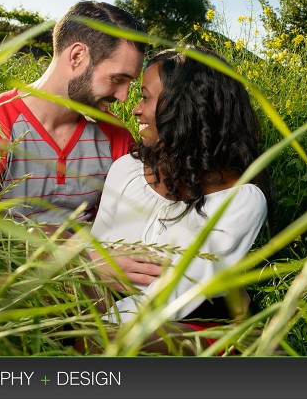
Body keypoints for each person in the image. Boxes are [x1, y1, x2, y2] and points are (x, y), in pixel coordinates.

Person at [0, 0, 165, 286]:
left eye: (129, 84)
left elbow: (129, 227)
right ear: (77, 56)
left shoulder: (117, 138)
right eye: (117, 79)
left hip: (103, 291)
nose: (122, 97)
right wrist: (79, 261)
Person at [76, 45, 272, 354]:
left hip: (187, 323)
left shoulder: (241, 199)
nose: (135, 109)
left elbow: (170, 301)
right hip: (105, 311)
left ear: (186, 107)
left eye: (145, 96)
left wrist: (85, 330)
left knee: (109, 339)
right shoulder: (126, 170)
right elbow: (95, 257)